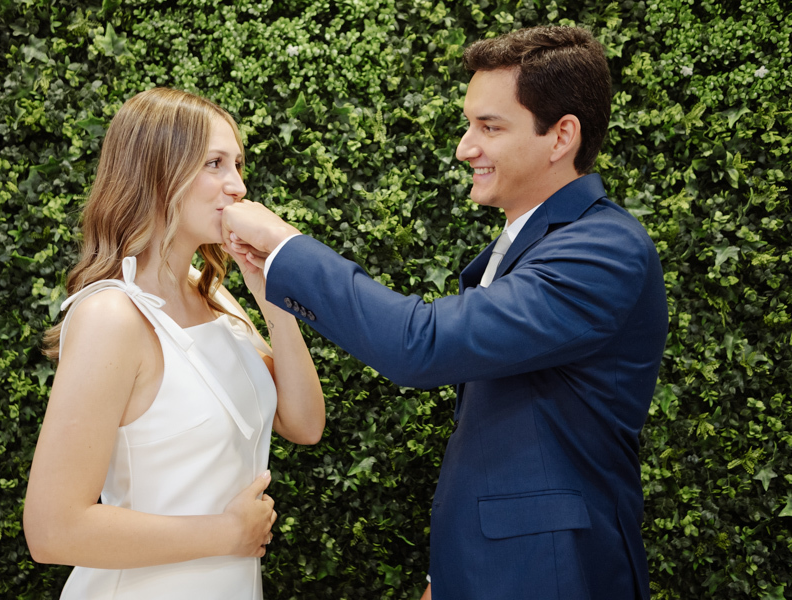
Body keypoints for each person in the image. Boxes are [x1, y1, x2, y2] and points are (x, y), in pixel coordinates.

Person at [221, 26, 668, 600]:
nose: (465, 147)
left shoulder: (603, 250)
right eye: (469, 124)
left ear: (561, 136)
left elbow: (420, 346)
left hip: (550, 576)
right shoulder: (529, 245)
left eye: (490, 127)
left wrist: (285, 245)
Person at [23, 87, 325, 599]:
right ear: (156, 173)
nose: (238, 186)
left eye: (238, 164)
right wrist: (228, 533)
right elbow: (52, 530)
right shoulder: (111, 316)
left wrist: (274, 298)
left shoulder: (213, 295)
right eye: (215, 163)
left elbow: (304, 424)